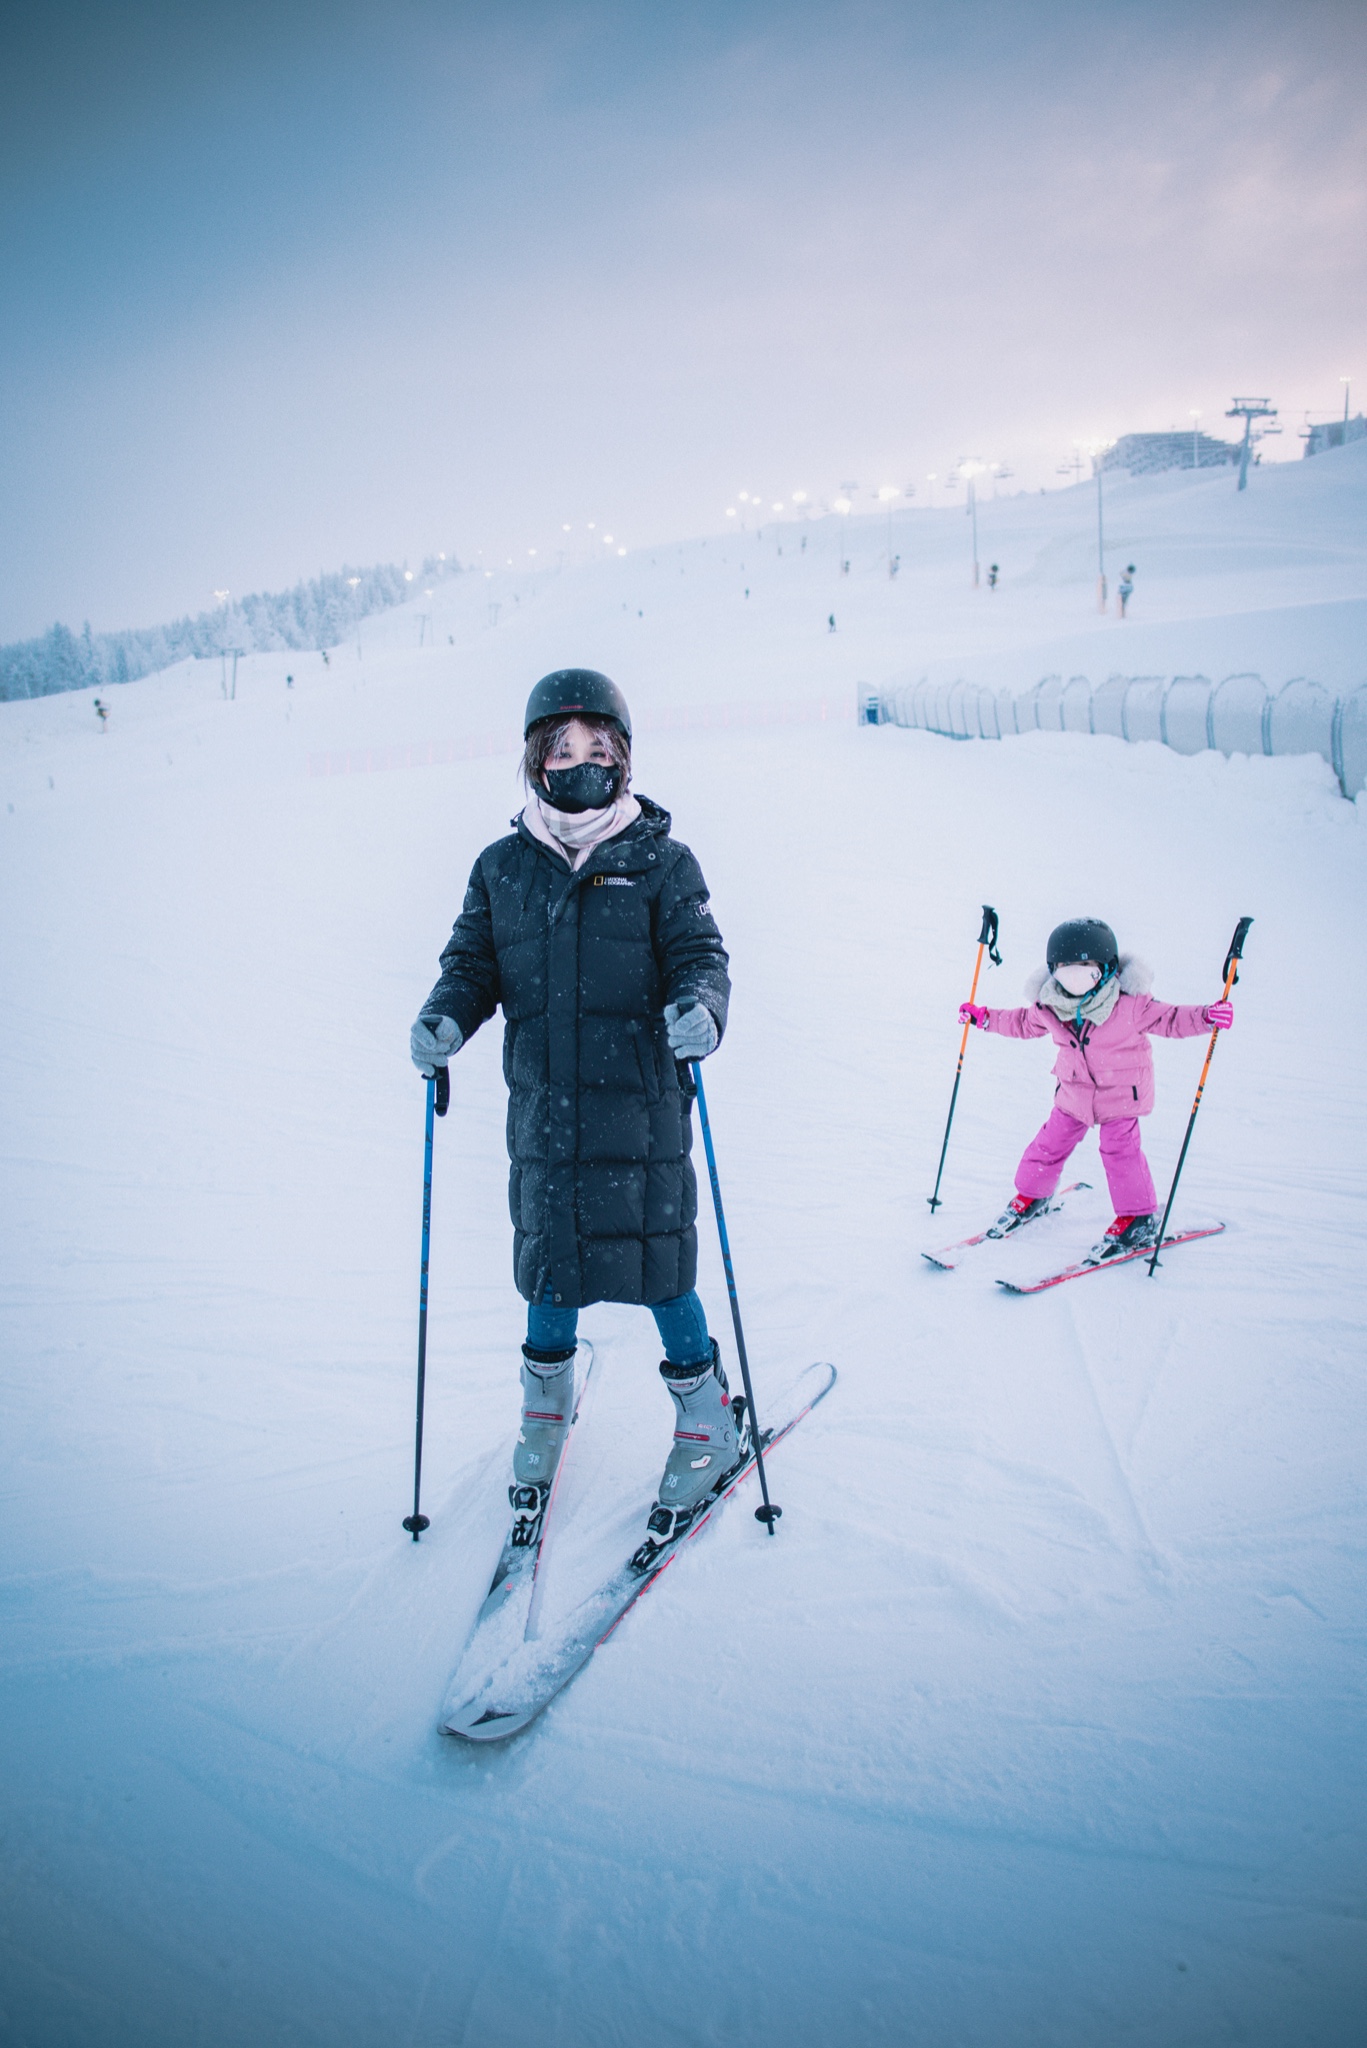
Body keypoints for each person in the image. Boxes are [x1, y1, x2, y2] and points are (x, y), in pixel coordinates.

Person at [410, 669, 736, 1564]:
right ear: (533, 761)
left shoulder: (663, 861)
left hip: (642, 1108)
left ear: (622, 760)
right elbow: (471, 964)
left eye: (597, 751)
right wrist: (445, 1015)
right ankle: (543, 1414)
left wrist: (702, 1007)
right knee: (549, 1266)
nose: (578, 764)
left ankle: (706, 1419)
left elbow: (701, 953)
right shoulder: (501, 868)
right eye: (560, 750)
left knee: (660, 1260)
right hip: (545, 1113)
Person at [959, 918, 1233, 1262]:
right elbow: (1020, 1023)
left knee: (1120, 1153)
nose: (1073, 984)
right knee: (1048, 1145)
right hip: (1074, 1095)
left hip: (1121, 1097)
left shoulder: (1132, 1004)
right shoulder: (1049, 1007)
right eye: (1064, 974)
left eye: (1084, 973)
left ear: (1105, 971)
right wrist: (984, 1018)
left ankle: (1138, 1217)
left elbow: (1172, 1018)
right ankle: (1033, 1195)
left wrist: (1208, 1016)